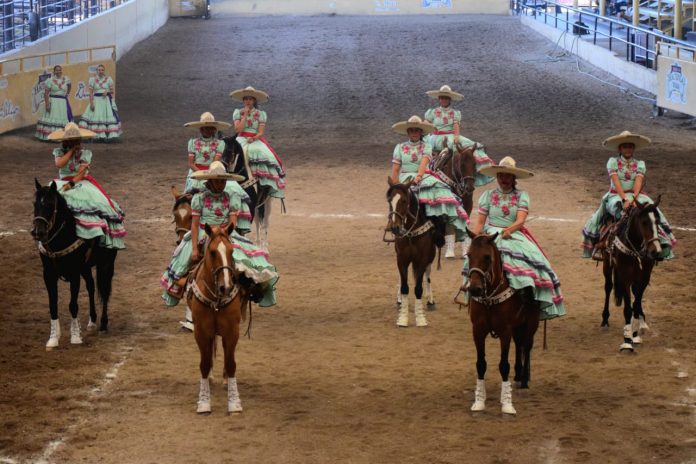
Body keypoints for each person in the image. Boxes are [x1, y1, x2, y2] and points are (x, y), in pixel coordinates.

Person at [160, 162, 278, 331]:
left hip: (226, 234)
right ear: (210, 181)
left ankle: (249, 292)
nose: (221, 184)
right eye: (218, 181)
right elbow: (194, 225)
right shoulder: (199, 198)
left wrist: (222, 234)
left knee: (244, 263)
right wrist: (194, 248)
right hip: (203, 233)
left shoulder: (231, 197)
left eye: (223, 181)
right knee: (184, 265)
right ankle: (189, 307)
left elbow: (232, 222)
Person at [461, 156, 566, 321]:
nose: (504, 179)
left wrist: (509, 230)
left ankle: (528, 295)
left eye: (507, 176)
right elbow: (480, 222)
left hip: (513, 233)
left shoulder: (521, 196)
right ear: (497, 177)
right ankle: (469, 286)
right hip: (490, 234)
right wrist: (476, 238)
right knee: (474, 258)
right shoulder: (487, 195)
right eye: (501, 175)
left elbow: (520, 221)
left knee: (532, 260)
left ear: (513, 178)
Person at [424, 84, 495, 257]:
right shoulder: (432, 112)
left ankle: (472, 174)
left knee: (467, 152)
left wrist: (456, 137)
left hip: (449, 136)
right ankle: (431, 171)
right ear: (438, 98)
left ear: (450, 99)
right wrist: (427, 133)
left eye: (446, 98)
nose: (444, 100)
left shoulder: (455, 113)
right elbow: (428, 125)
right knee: (431, 155)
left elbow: (455, 127)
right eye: (442, 97)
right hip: (435, 137)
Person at [582, 131, 676, 260]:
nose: (628, 149)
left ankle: (659, 241)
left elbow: (638, 183)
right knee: (611, 214)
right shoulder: (612, 162)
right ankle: (602, 243)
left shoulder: (640, 164)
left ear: (633, 148)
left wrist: (633, 199)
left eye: (630, 146)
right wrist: (624, 199)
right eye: (625, 146)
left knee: (652, 212)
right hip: (616, 195)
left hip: (637, 196)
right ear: (620, 148)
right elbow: (616, 183)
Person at [390, 115, 470, 246]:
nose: (414, 133)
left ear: (421, 132)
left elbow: (424, 163)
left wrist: (418, 177)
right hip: (405, 177)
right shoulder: (399, 147)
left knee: (443, 193)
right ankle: (393, 224)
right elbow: (395, 169)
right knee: (396, 200)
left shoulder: (426, 145)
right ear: (408, 132)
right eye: (411, 130)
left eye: (417, 130)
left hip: (423, 175)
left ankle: (438, 227)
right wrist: (396, 185)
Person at [47, 122, 126, 249]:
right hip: (62, 181)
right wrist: (71, 152)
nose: (73, 142)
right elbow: (59, 164)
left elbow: (80, 173)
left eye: (75, 140)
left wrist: (71, 184)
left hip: (80, 182)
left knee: (91, 204)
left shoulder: (85, 154)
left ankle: (92, 234)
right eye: (70, 140)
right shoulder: (59, 152)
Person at [183, 113, 252, 233]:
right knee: (185, 198)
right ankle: (186, 225)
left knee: (236, 191)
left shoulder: (220, 144)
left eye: (210, 128)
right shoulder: (192, 143)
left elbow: (215, 162)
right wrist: (201, 173)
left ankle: (239, 225)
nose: (208, 130)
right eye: (205, 128)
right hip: (195, 173)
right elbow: (190, 163)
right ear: (201, 129)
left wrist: (209, 173)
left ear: (214, 129)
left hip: (215, 171)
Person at [229, 86, 286, 200]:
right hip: (241, 138)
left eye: (250, 99)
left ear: (254, 100)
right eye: (246, 99)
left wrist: (254, 138)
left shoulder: (260, 114)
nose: (248, 101)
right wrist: (245, 115)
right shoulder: (238, 113)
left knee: (261, 152)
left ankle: (261, 180)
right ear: (243, 100)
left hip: (254, 139)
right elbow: (238, 130)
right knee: (231, 153)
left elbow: (260, 132)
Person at [79, 64, 122, 141]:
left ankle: (106, 136)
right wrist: (92, 103)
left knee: (105, 118)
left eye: (102, 70)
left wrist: (107, 91)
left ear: (104, 71)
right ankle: (95, 136)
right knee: (95, 117)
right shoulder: (92, 80)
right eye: (99, 70)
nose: (100, 71)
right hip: (96, 100)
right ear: (97, 71)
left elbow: (112, 90)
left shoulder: (109, 79)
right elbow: (91, 93)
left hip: (105, 101)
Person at [36, 65, 74, 141]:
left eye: (60, 70)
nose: (58, 71)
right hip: (53, 102)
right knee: (53, 118)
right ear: (54, 71)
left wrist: (67, 93)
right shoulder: (49, 81)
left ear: (61, 70)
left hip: (62, 102)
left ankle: (62, 136)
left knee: (63, 118)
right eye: (57, 70)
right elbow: (46, 94)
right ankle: (52, 136)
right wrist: (47, 105)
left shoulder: (66, 79)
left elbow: (69, 86)